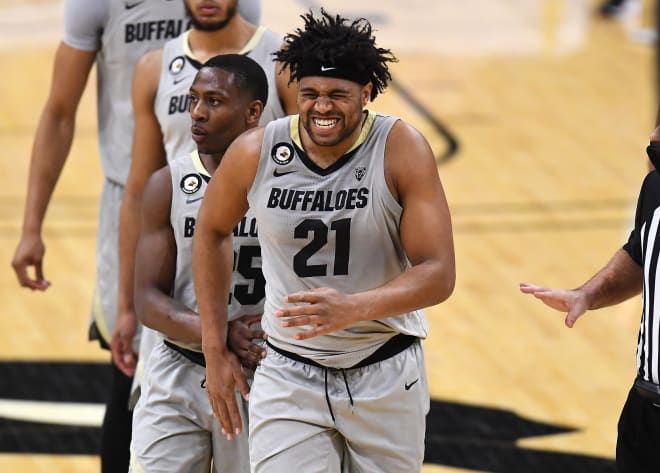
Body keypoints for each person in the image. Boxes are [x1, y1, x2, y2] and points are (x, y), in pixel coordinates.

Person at [192, 9, 456, 472]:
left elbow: (439, 273)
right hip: (289, 372)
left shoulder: (401, 149)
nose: (322, 107)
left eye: (338, 94)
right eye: (310, 93)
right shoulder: (255, 151)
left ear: (367, 94)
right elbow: (211, 231)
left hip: (385, 370)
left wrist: (354, 308)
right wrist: (214, 351)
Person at [9, 1, 260, 471]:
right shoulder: (108, 17)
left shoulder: (252, 30)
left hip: (245, 231)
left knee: (238, 387)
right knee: (131, 375)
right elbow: (60, 111)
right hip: (144, 205)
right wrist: (31, 227)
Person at [114, 0, 297, 390]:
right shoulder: (153, 68)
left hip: (256, 300)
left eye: (212, 102)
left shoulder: (282, 62)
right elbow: (137, 189)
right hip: (178, 289)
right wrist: (125, 305)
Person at [130, 53, 267, 473]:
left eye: (213, 101)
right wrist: (218, 334)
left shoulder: (282, 183)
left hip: (260, 377)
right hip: (180, 367)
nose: (197, 114)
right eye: (193, 100)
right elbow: (148, 299)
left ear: (253, 112)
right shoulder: (167, 184)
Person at [520, 126, 660, 472]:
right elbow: (640, 254)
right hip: (646, 410)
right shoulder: (655, 190)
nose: (654, 135)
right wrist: (587, 294)